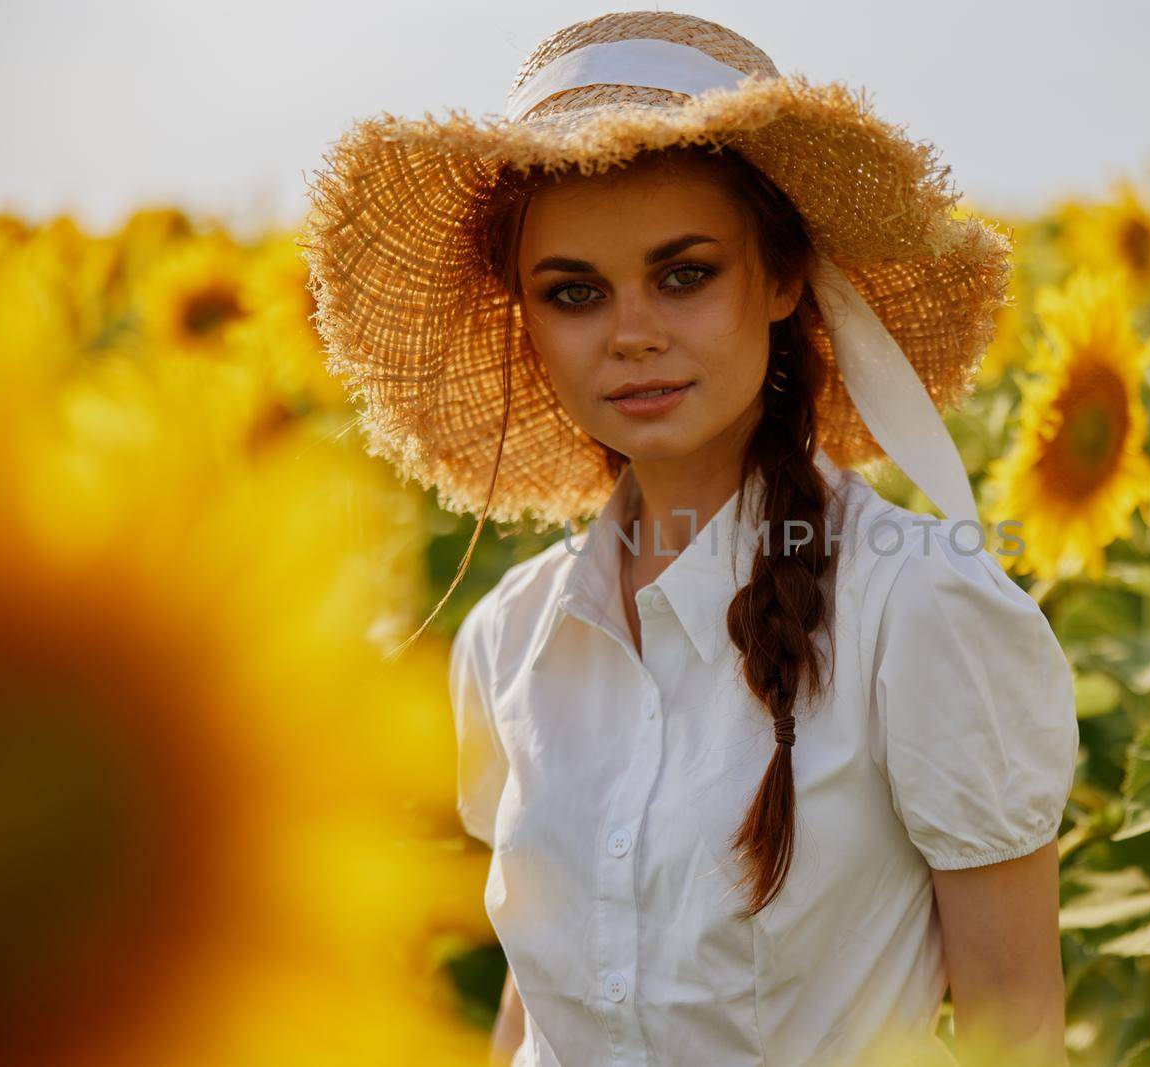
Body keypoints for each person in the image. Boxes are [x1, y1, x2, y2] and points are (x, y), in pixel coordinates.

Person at [303, 11, 1078, 1066]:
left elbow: (1013, 1026)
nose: (631, 333)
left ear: (781, 278)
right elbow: (535, 1013)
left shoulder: (919, 605)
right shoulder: (508, 636)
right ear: (525, 320)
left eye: (684, 273)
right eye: (573, 292)